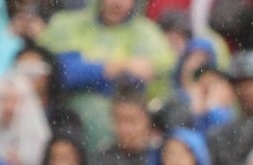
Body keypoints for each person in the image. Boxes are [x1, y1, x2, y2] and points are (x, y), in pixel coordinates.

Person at [38, 0, 174, 149]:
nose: (118, 3)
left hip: (126, 137)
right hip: (69, 129)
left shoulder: (147, 33)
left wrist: (91, 71)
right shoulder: (68, 23)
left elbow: (158, 72)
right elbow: (64, 73)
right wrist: (115, 67)